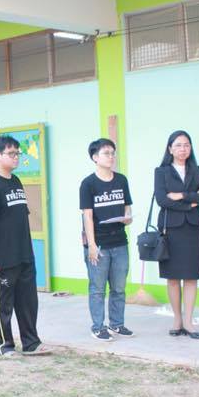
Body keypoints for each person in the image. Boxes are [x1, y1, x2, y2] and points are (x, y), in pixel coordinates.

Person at [0, 136, 50, 357]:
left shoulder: (15, 180)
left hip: (24, 254)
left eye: (18, 153)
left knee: (28, 302)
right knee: (3, 304)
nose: (16, 157)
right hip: (2, 257)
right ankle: (4, 345)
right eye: (11, 153)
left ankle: (31, 343)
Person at [154, 131, 199, 340]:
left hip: (193, 229)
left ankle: (188, 321)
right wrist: (191, 202)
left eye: (186, 145)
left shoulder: (197, 170)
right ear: (170, 149)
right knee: (172, 277)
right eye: (178, 145)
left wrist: (181, 195)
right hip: (170, 229)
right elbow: (162, 200)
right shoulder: (161, 172)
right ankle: (177, 320)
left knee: (191, 275)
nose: (183, 149)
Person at [80, 138, 133, 341]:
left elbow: (127, 208)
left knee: (119, 288)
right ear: (95, 157)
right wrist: (92, 245)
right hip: (99, 244)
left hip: (120, 242)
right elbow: (87, 216)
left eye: (113, 153)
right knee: (97, 289)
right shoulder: (88, 184)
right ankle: (98, 326)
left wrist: (127, 218)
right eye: (106, 153)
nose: (111, 157)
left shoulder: (121, 180)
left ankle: (117, 324)